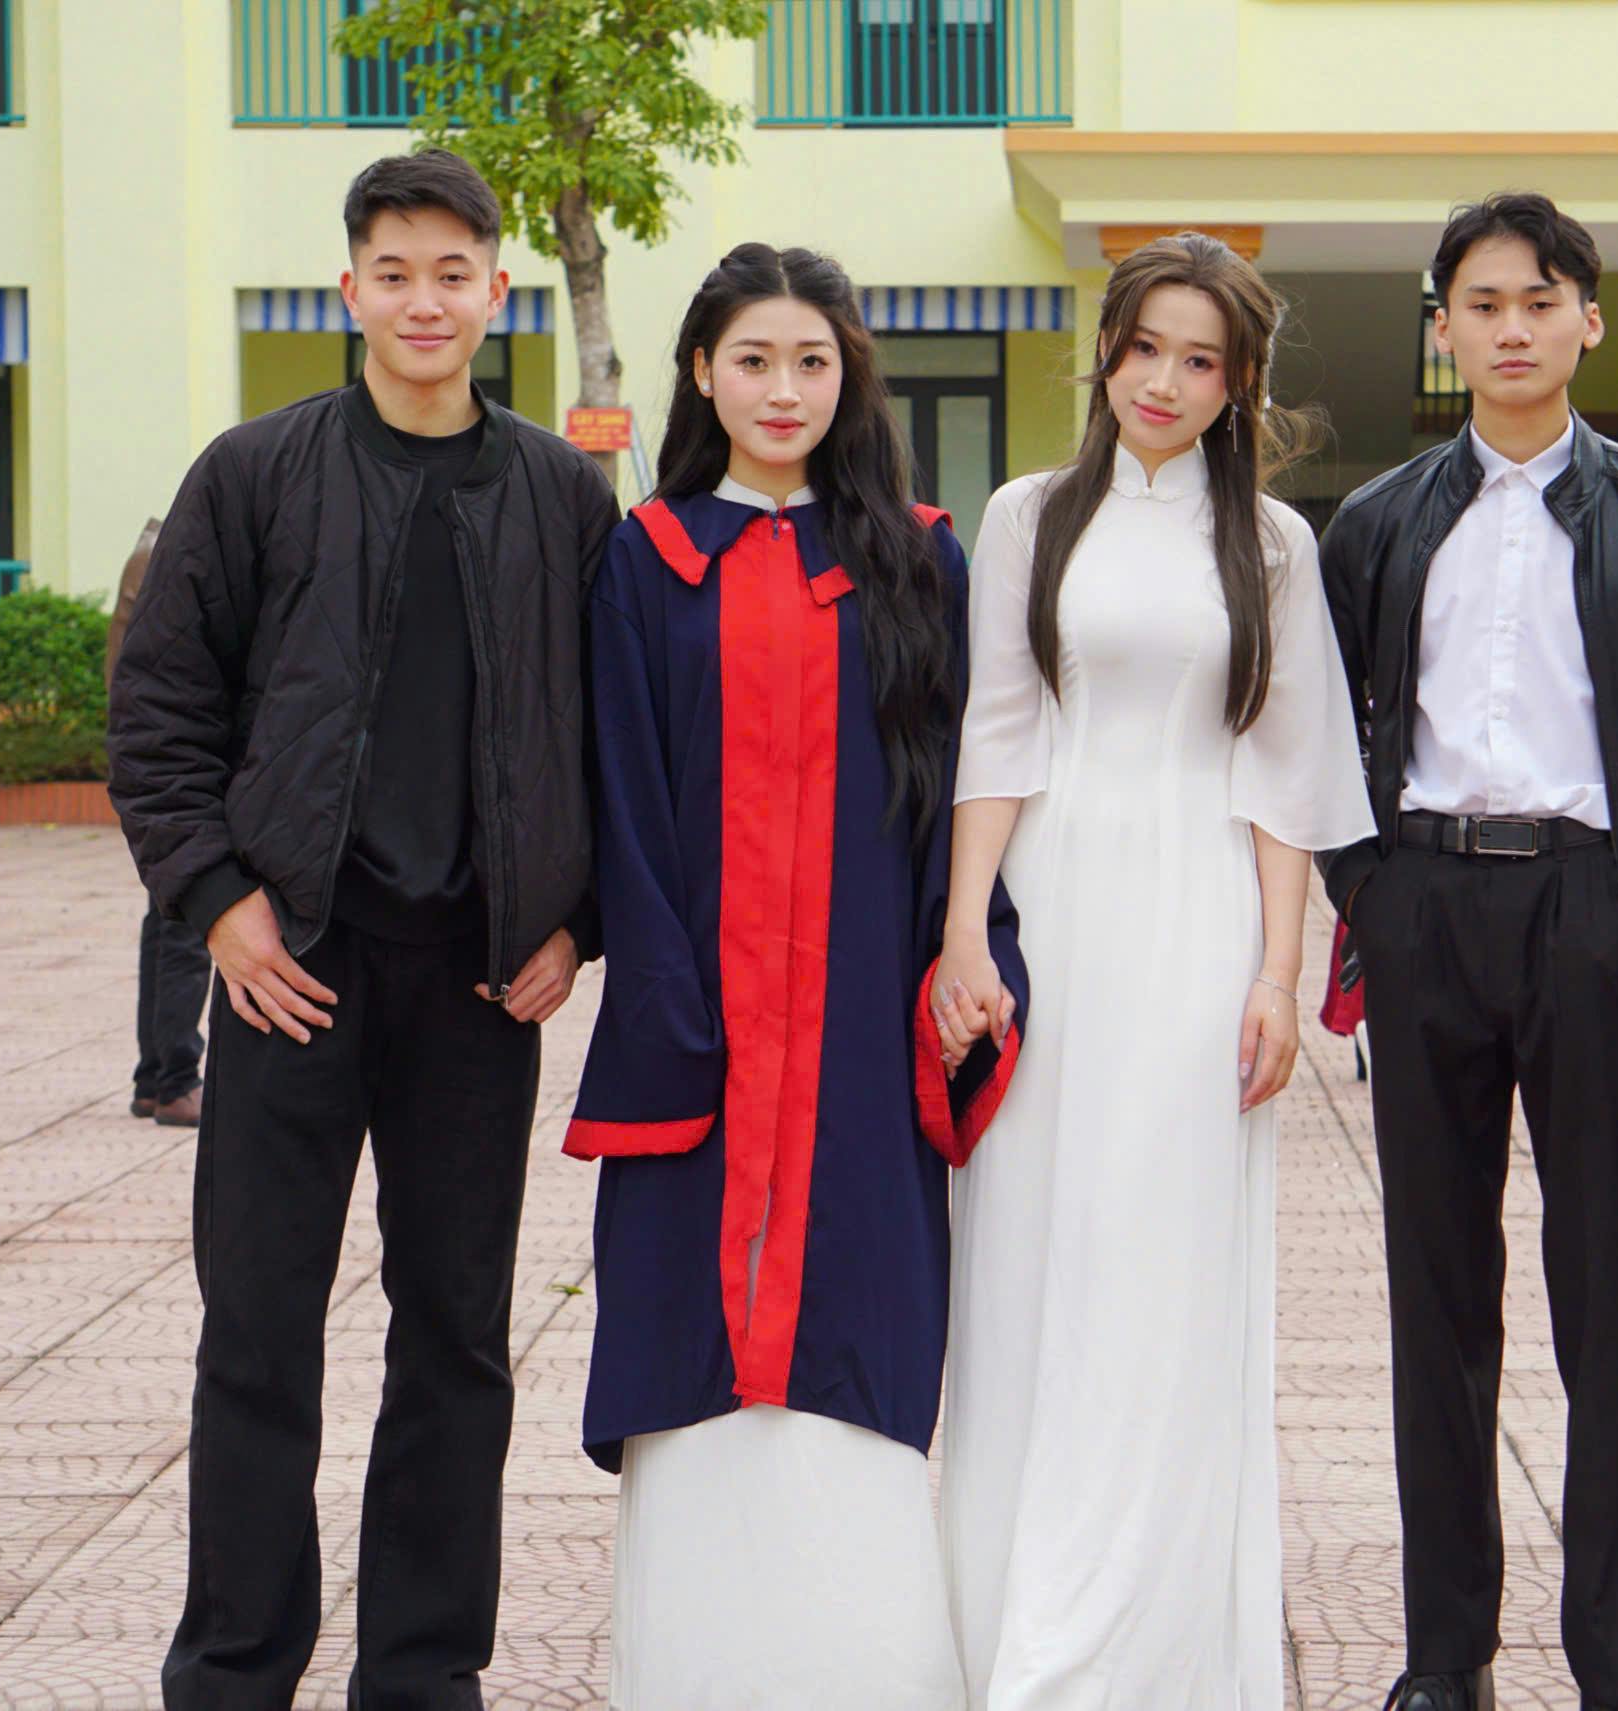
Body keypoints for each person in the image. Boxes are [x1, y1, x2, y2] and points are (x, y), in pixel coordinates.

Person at [106, 149, 616, 1707]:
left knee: (456, 1337)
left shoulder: (561, 494)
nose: (423, 300)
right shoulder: (253, 474)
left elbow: (617, 735)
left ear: (496, 292)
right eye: (393, 271)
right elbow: (161, 711)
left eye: (452, 272)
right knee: (258, 1332)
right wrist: (220, 905)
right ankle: (234, 1668)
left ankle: (420, 1671)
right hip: (291, 973)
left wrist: (575, 922)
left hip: (478, 981)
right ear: (350, 289)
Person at [1315, 193, 1618, 1711]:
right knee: (1437, 1303)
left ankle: (1615, 1663)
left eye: (1541, 299)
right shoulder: (1379, 524)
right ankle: (1444, 1654)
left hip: (1599, 917)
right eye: (1482, 302)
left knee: (1607, 1305)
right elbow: (1314, 735)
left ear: (1588, 317)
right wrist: (1371, 891)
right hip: (1425, 916)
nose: (1512, 326)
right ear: (1445, 325)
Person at [564, 242, 1026, 1711]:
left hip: (857, 1028)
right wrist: (662, 1001)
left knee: (860, 1310)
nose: (782, 388)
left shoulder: (918, 557)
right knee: (693, 1325)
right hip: (695, 1026)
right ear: (700, 370)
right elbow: (622, 798)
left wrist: (965, 951)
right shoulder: (643, 561)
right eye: (753, 359)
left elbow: (965, 784)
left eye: (812, 362)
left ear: (849, 380)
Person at [933, 232, 1372, 1707]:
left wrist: (1274, 972)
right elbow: (995, 733)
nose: (1166, 381)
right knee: (1022, 1248)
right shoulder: (1027, 517)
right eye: (1145, 349)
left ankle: (1155, 1646)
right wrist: (960, 935)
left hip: (1196, 927)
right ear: (1104, 353)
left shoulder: (1272, 547)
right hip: (1051, 917)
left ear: (1240, 381)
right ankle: (1007, 1616)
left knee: (1164, 1258)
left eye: (1202, 358)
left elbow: (1285, 772)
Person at [107, 515, 209, 1129]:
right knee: (189, 928)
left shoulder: (153, 547)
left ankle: (153, 1079)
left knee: (164, 923)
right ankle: (176, 1079)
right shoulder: (176, 553)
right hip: (181, 778)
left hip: (157, 773)